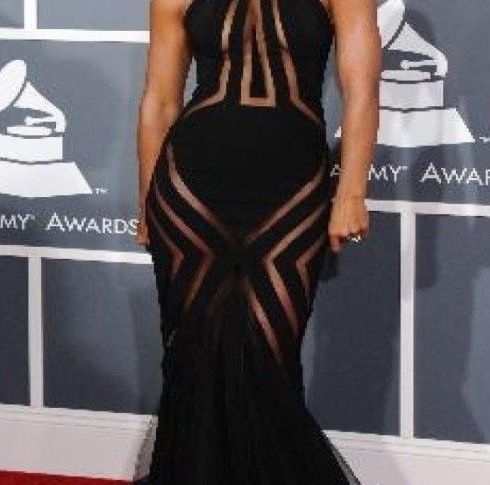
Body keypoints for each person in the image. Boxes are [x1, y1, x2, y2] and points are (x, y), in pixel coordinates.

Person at [134, 0, 380, 482]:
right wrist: (147, 204)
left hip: (292, 190)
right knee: (193, 355)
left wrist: (352, 192)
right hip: (189, 193)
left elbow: (362, 92)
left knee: (271, 358)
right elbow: (159, 101)